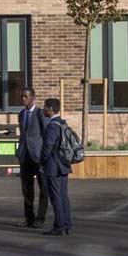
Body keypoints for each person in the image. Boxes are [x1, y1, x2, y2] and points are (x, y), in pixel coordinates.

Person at [39, 98, 73, 236]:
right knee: (63, 196)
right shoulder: (62, 123)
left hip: (53, 166)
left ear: (51, 109)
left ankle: (59, 226)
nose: (43, 110)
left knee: (55, 196)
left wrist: (42, 161)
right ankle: (67, 224)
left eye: (45, 107)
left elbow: (48, 146)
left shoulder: (52, 126)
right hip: (64, 165)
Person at [15, 87, 48, 228]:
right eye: (22, 96)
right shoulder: (21, 114)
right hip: (25, 156)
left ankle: (40, 218)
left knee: (43, 189)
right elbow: (23, 134)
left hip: (38, 156)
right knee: (27, 189)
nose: (23, 99)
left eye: (26, 96)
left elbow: (46, 134)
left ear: (33, 98)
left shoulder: (40, 113)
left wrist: (44, 155)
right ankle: (29, 218)